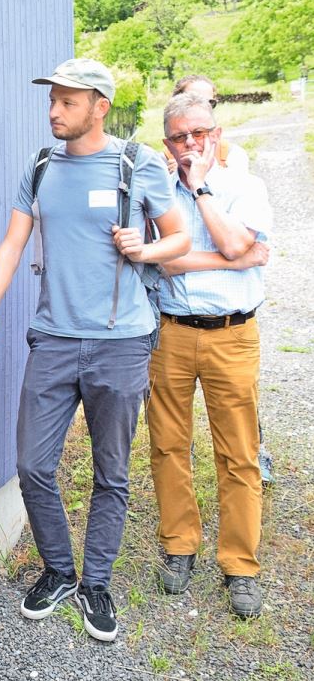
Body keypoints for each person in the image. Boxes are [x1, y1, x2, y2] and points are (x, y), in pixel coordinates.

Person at [0, 58, 189, 642]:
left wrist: (146, 246)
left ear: (99, 107)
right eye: (52, 100)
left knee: (111, 473)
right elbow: (13, 244)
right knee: (33, 465)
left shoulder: (136, 164)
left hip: (122, 343)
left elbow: (181, 238)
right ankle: (59, 571)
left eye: (66, 102)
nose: (53, 111)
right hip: (55, 340)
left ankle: (96, 584)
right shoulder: (40, 168)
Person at [149, 93, 272, 618]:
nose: (191, 143)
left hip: (232, 333)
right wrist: (230, 256)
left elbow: (242, 243)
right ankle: (179, 547)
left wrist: (201, 192)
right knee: (168, 445)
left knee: (239, 452)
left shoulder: (246, 186)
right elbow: (171, 263)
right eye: (180, 137)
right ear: (167, 143)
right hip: (171, 333)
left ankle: (240, 565)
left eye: (199, 133)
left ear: (216, 134)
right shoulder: (156, 192)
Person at [163, 75, 250, 176]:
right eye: (190, 100)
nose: (200, 106)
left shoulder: (232, 154)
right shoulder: (163, 160)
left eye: (209, 102)